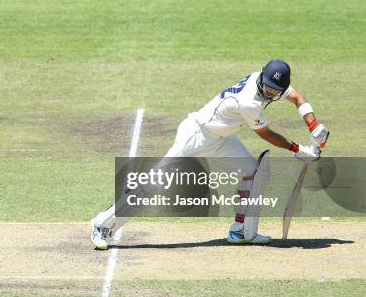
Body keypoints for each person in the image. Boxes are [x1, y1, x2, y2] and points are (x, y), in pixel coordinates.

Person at [91, 59, 329, 249]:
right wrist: (298, 149)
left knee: (254, 173)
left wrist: (314, 126)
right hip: (196, 134)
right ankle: (103, 224)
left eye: (274, 90)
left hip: (221, 139)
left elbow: (297, 98)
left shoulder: (272, 81)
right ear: (262, 77)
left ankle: (241, 231)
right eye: (267, 86)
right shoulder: (248, 102)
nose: (269, 92)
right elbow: (266, 135)